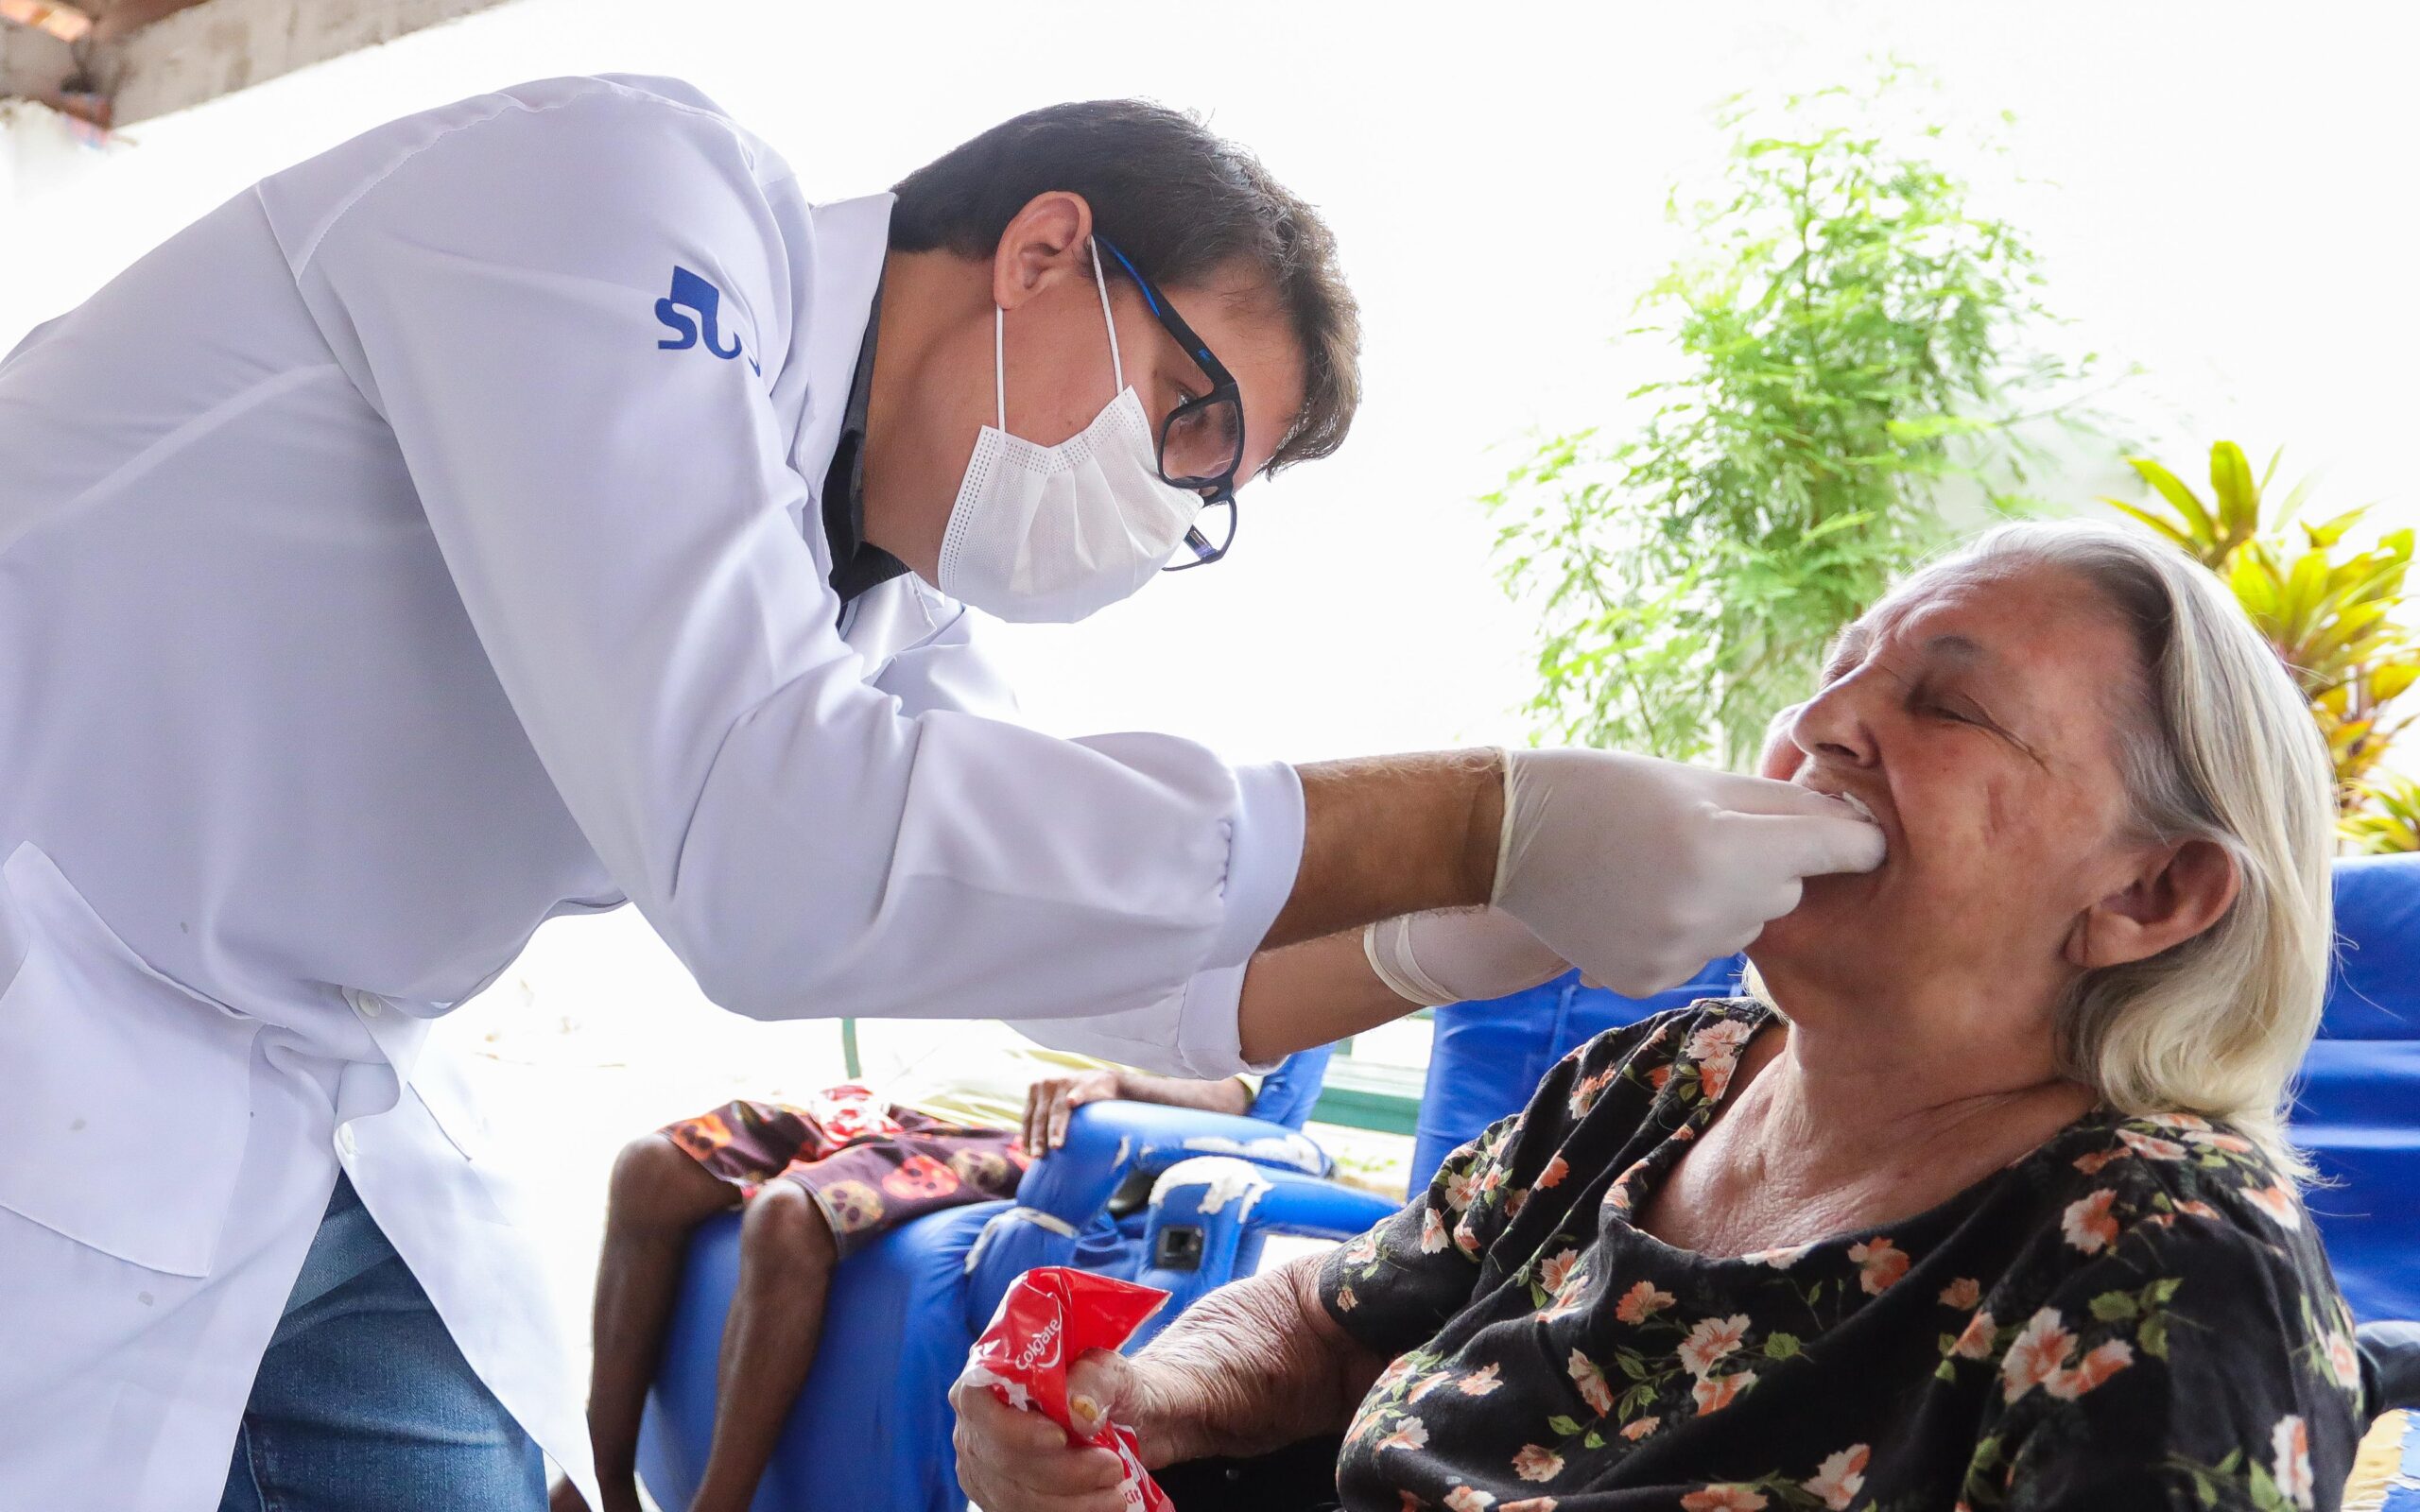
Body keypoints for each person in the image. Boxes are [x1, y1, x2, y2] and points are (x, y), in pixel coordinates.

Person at [0, 74, 1887, 1512]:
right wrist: (1490, 815)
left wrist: (1483, 926)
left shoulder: (868, 597)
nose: (1166, 505)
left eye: (1211, 493)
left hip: (296, 1099)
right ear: (1047, 250)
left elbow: (1124, 966)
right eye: (1186, 416)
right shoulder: (618, 206)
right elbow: (774, 858)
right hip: (52, 984)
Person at [954, 521, 2370, 1511]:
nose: (1821, 723)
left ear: (2152, 892)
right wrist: (1146, 1399)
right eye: (1836, 670)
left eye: (1949, 706)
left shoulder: (2164, 1257)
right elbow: (1331, 1315)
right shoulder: (1665, 1079)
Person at [552, 1037, 1281, 1512]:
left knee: (788, 1215)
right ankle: (593, 1483)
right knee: (650, 1168)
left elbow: (1230, 1094)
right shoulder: (1045, 884)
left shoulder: (1214, 931)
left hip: (1019, 1139)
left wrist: (1115, 1080)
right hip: (881, 1109)